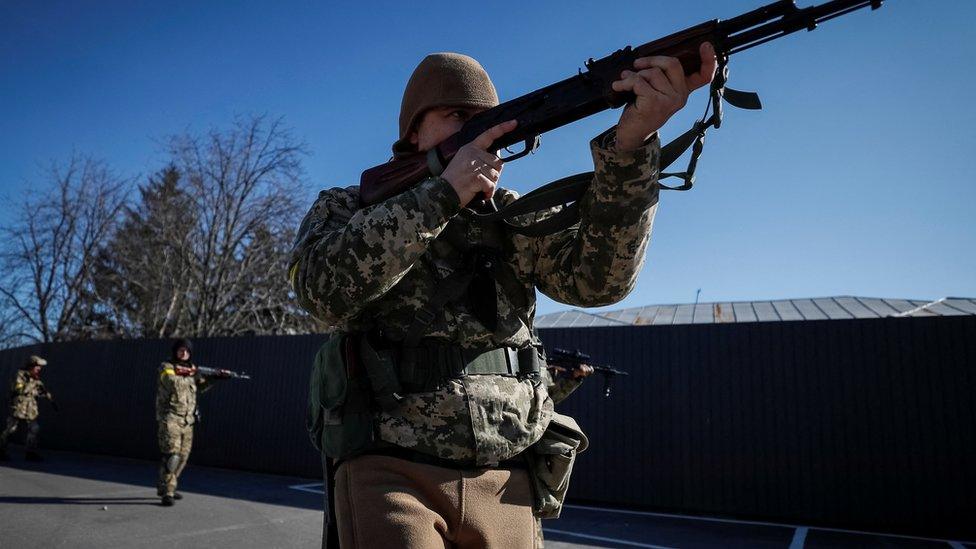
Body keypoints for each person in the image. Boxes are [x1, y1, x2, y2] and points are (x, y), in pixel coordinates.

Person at [292, 46, 716, 548]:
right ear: (413, 132)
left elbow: (598, 283)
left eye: (486, 119)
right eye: (457, 116)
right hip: (390, 466)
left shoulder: (515, 214)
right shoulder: (348, 205)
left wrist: (632, 145)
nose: (478, 129)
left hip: (508, 473)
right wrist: (442, 195)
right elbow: (321, 291)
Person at [155, 338, 219, 506]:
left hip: (188, 420)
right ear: (175, 351)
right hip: (170, 418)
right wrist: (193, 374)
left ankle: (165, 483)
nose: (184, 353)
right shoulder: (166, 367)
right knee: (172, 456)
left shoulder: (192, 369)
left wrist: (214, 378)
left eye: (187, 351)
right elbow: (173, 383)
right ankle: (168, 491)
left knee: (183, 457)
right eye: (181, 350)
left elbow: (201, 387)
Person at [0, 355, 54, 462]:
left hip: (31, 409)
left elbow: (39, 391)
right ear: (31, 366)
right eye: (37, 366)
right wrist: (33, 386)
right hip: (19, 407)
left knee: (34, 429)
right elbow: (19, 390)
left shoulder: (35, 378)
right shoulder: (20, 375)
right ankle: (1, 450)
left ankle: (31, 453)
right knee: (11, 429)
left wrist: (45, 394)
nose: (39, 368)